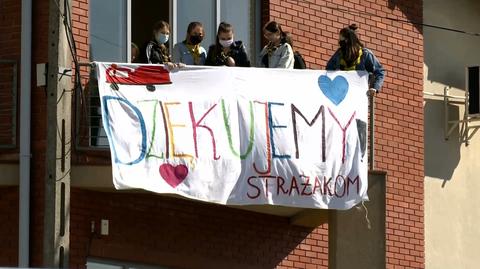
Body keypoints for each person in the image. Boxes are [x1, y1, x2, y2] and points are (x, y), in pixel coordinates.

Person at [326, 24, 385, 95]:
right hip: (341, 94)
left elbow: (380, 71)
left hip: (358, 95)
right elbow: (328, 70)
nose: (339, 43)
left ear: (347, 41)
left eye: (341, 40)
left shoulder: (365, 54)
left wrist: (375, 88)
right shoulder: (339, 54)